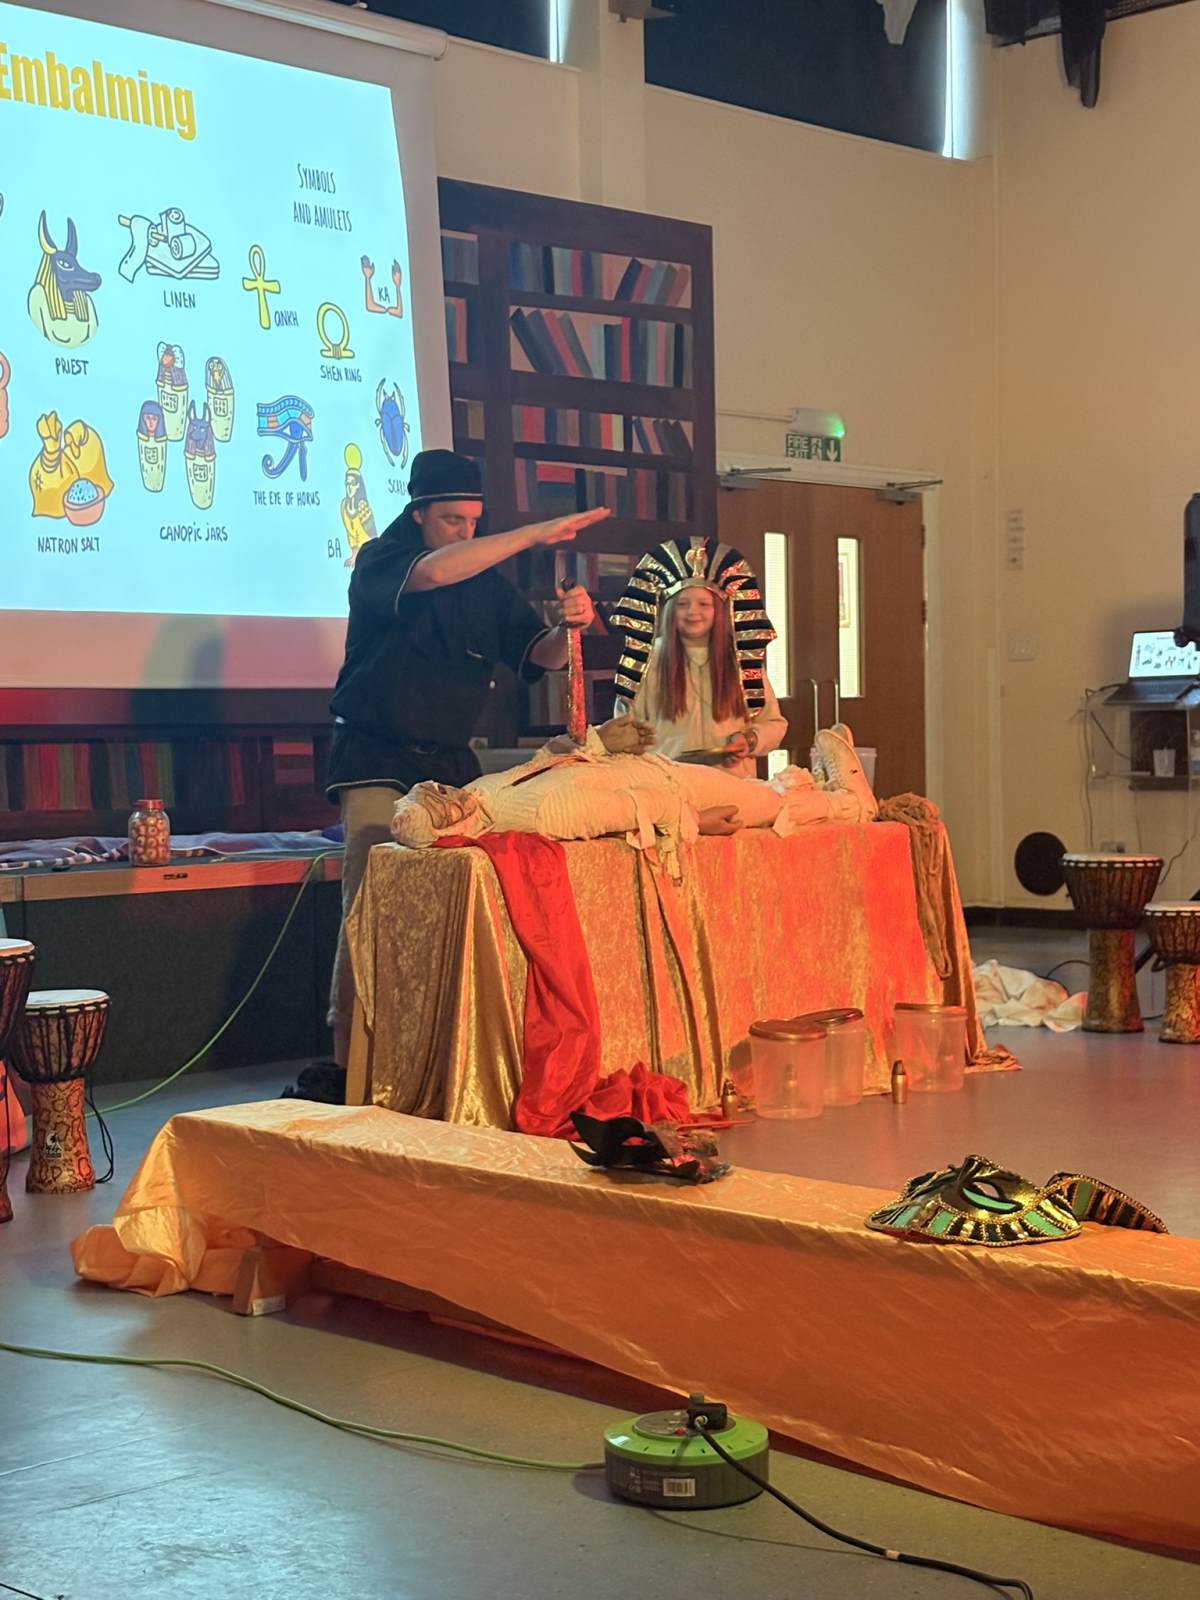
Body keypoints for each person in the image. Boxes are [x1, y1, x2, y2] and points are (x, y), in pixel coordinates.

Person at [326, 447, 610, 1069]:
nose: (466, 532)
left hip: (450, 764)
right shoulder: (381, 558)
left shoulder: (486, 583)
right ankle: (351, 1057)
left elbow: (538, 655)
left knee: (460, 899)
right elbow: (433, 574)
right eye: (453, 520)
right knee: (372, 897)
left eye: (474, 522)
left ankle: (440, 1052)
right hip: (376, 753)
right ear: (419, 513)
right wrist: (531, 534)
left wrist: (569, 627)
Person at [390, 719, 878, 876]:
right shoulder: (539, 815)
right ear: (449, 825)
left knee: (755, 793)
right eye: (436, 799)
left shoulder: (481, 793)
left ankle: (829, 793)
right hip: (670, 791)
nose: (440, 787)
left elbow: (548, 764)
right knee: (767, 808)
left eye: (432, 786)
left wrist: (600, 741)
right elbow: (625, 810)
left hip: (654, 770)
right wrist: (694, 820)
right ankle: (852, 805)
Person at [610, 536, 787, 776]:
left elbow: (774, 724)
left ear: (718, 611)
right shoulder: (647, 661)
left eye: (704, 604)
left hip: (734, 785)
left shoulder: (741, 661)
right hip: (670, 785)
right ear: (670, 610)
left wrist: (750, 739)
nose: (693, 612)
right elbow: (623, 731)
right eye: (682, 604)